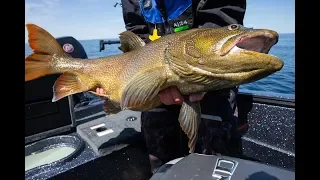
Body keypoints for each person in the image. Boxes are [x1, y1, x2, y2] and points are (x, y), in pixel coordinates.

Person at [97, 0, 247, 174]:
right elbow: (137, 31)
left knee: (213, 167)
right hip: (154, 90)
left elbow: (220, 18)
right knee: (162, 167)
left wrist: (204, 73)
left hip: (212, 90)